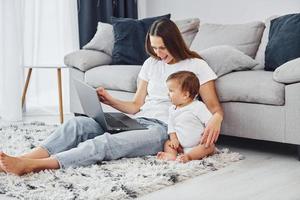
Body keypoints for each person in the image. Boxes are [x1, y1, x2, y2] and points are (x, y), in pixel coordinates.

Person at [0, 18, 223, 176]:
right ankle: (26, 157)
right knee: (78, 124)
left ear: (174, 43)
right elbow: (136, 105)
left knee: (105, 143)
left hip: (160, 129)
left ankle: (34, 166)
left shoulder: (196, 66)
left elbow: (215, 108)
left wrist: (216, 118)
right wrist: (109, 101)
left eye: (162, 48)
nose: (158, 53)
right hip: (138, 120)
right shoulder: (150, 64)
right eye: (154, 47)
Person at [157, 71, 214, 163]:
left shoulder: (197, 106)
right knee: (168, 143)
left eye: (171, 91)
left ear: (185, 95)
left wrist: (207, 137)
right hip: (181, 146)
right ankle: (172, 155)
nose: (168, 93)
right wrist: (174, 140)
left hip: (198, 145)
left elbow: (210, 122)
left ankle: (189, 157)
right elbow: (171, 126)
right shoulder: (172, 109)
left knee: (209, 146)